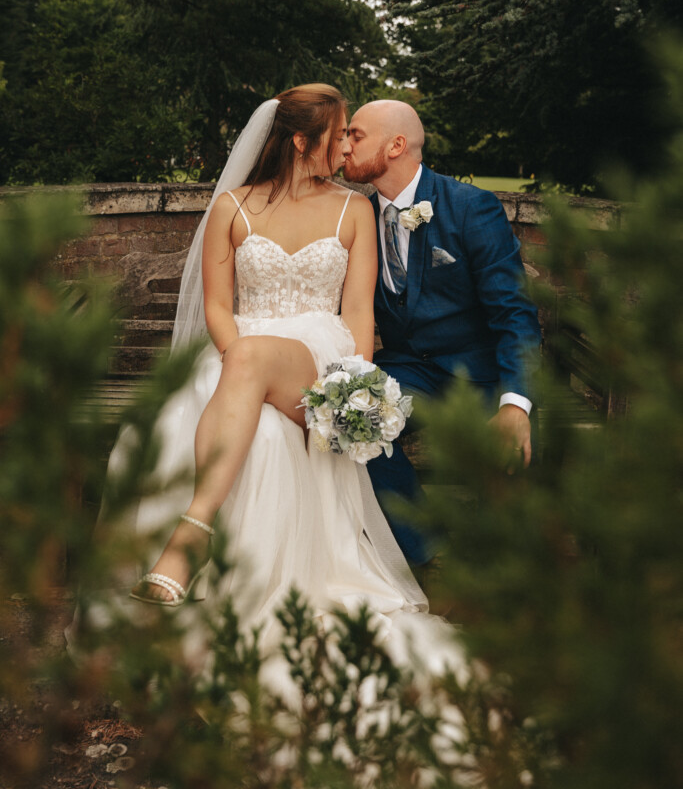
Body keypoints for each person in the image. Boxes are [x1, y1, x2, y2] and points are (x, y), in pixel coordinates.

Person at [77, 85, 462, 677]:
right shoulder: (231, 207)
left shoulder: (352, 209)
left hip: (319, 358)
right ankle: (204, 552)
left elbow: (358, 311)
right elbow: (218, 310)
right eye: (337, 136)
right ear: (301, 141)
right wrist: (237, 359)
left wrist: (353, 386)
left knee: (251, 363)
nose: (344, 148)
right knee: (211, 404)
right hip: (239, 355)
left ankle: (188, 542)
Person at [343, 99, 542, 564]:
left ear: (395, 145)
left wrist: (515, 404)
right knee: (351, 423)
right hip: (408, 370)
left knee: (517, 450)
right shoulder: (356, 216)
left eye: (355, 135)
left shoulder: (471, 208)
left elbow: (515, 314)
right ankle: (432, 551)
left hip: (481, 374)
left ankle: (510, 570)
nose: (344, 147)